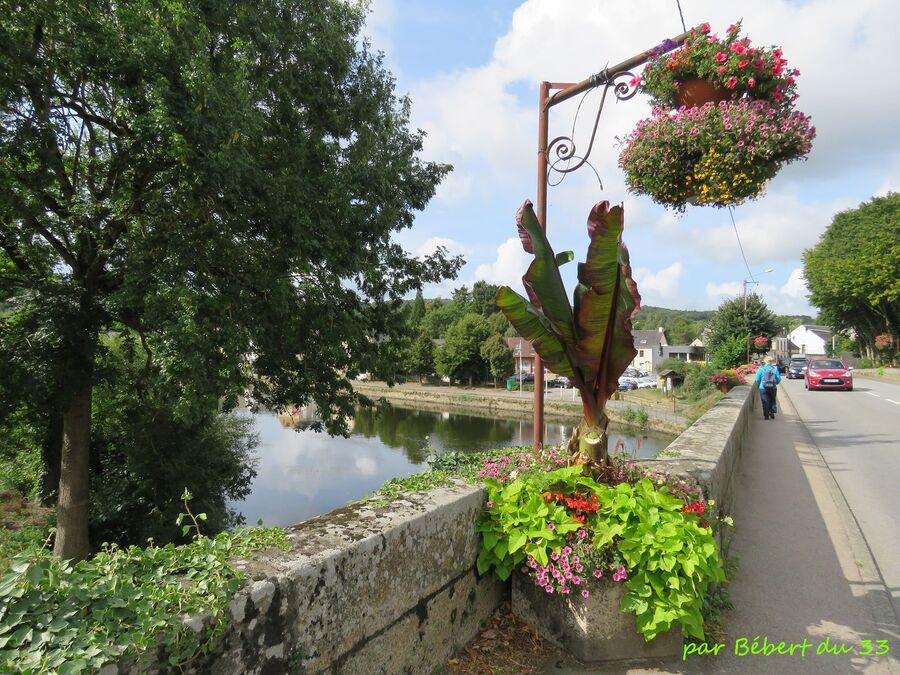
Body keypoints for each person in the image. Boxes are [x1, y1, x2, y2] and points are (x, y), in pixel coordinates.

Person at [755, 355, 781, 420]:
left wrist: (760, 384)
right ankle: (772, 412)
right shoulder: (774, 369)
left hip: (763, 388)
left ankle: (766, 415)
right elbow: (778, 379)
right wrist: (775, 383)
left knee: (765, 401)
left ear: (765, 361)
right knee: (772, 400)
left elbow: (757, 379)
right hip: (773, 387)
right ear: (771, 362)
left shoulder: (761, 369)